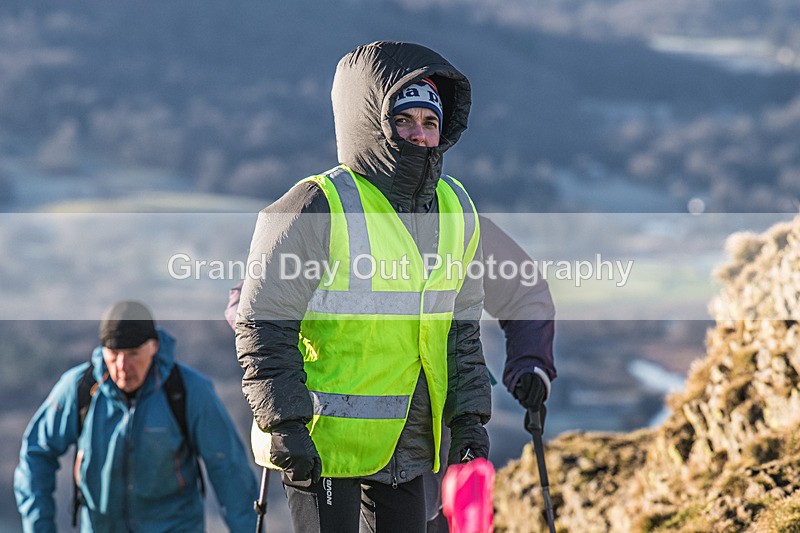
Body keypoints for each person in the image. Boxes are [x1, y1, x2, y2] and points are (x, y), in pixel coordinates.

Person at [235, 41, 491, 532]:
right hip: (322, 444)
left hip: (409, 444)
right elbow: (263, 322)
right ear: (373, 123)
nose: (419, 134)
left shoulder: (457, 207)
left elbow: (461, 330)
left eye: (430, 121)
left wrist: (469, 420)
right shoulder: (318, 203)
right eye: (404, 119)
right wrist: (284, 422)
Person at [225, 215, 557, 531]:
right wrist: (280, 344)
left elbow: (524, 290)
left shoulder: (455, 218)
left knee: (430, 514)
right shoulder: (334, 213)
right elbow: (254, 299)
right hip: (337, 427)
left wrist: (531, 364)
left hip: (431, 416)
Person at [14, 300, 257, 532]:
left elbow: (230, 471)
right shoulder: (79, 389)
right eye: (114, 354)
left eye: (132, 353)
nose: (122, 365)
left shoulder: (189, 391)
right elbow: (36, 454)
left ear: (154, 346)